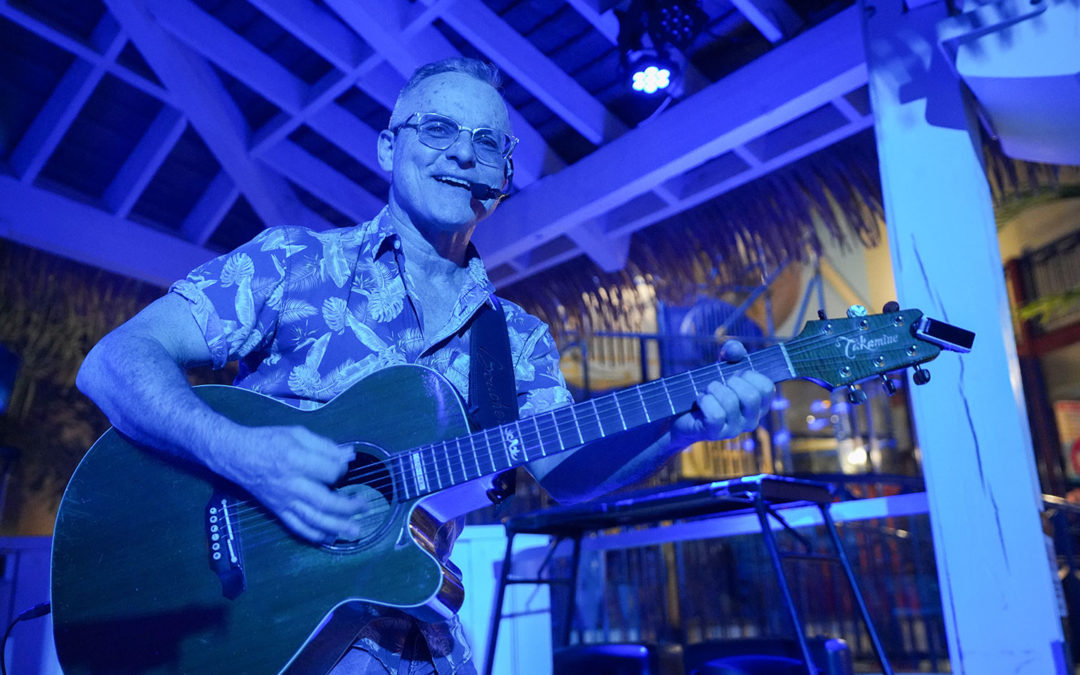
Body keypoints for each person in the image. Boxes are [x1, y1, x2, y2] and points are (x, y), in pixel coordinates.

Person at [76, 57, 774, 674]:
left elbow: (568, 474)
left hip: (424, 642)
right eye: (437, 130)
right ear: (389, 147)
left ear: (504, 175)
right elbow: (113, 362)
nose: (463, 154)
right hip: (270, 636)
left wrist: (678, 430)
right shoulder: (292, 262)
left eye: (487, 142)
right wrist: (243, 452)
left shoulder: (516, 342)